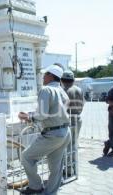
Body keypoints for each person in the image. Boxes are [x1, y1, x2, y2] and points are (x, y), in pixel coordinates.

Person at [18, 65, 71, 195]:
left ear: (50, 75)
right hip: (65, 132)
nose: (42, 77)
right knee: (56, 167)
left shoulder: (46, 89)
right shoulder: (62, 91)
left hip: (52, 134)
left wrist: (28, 116)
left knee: (26, 157)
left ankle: (36, 186)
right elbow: (54, 112)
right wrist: (32, 114)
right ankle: (51, 192)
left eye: (44, 74)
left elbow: (42, 115)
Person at [61, 70, 84, 175]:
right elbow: (83, 104)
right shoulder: (79, 89)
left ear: (62, 80)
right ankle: (74, 167)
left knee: (67, 146)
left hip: (68, 120)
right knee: (74, 144)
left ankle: (69, 170)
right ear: (73, 80)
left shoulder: (63, 90)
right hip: (78, 118)